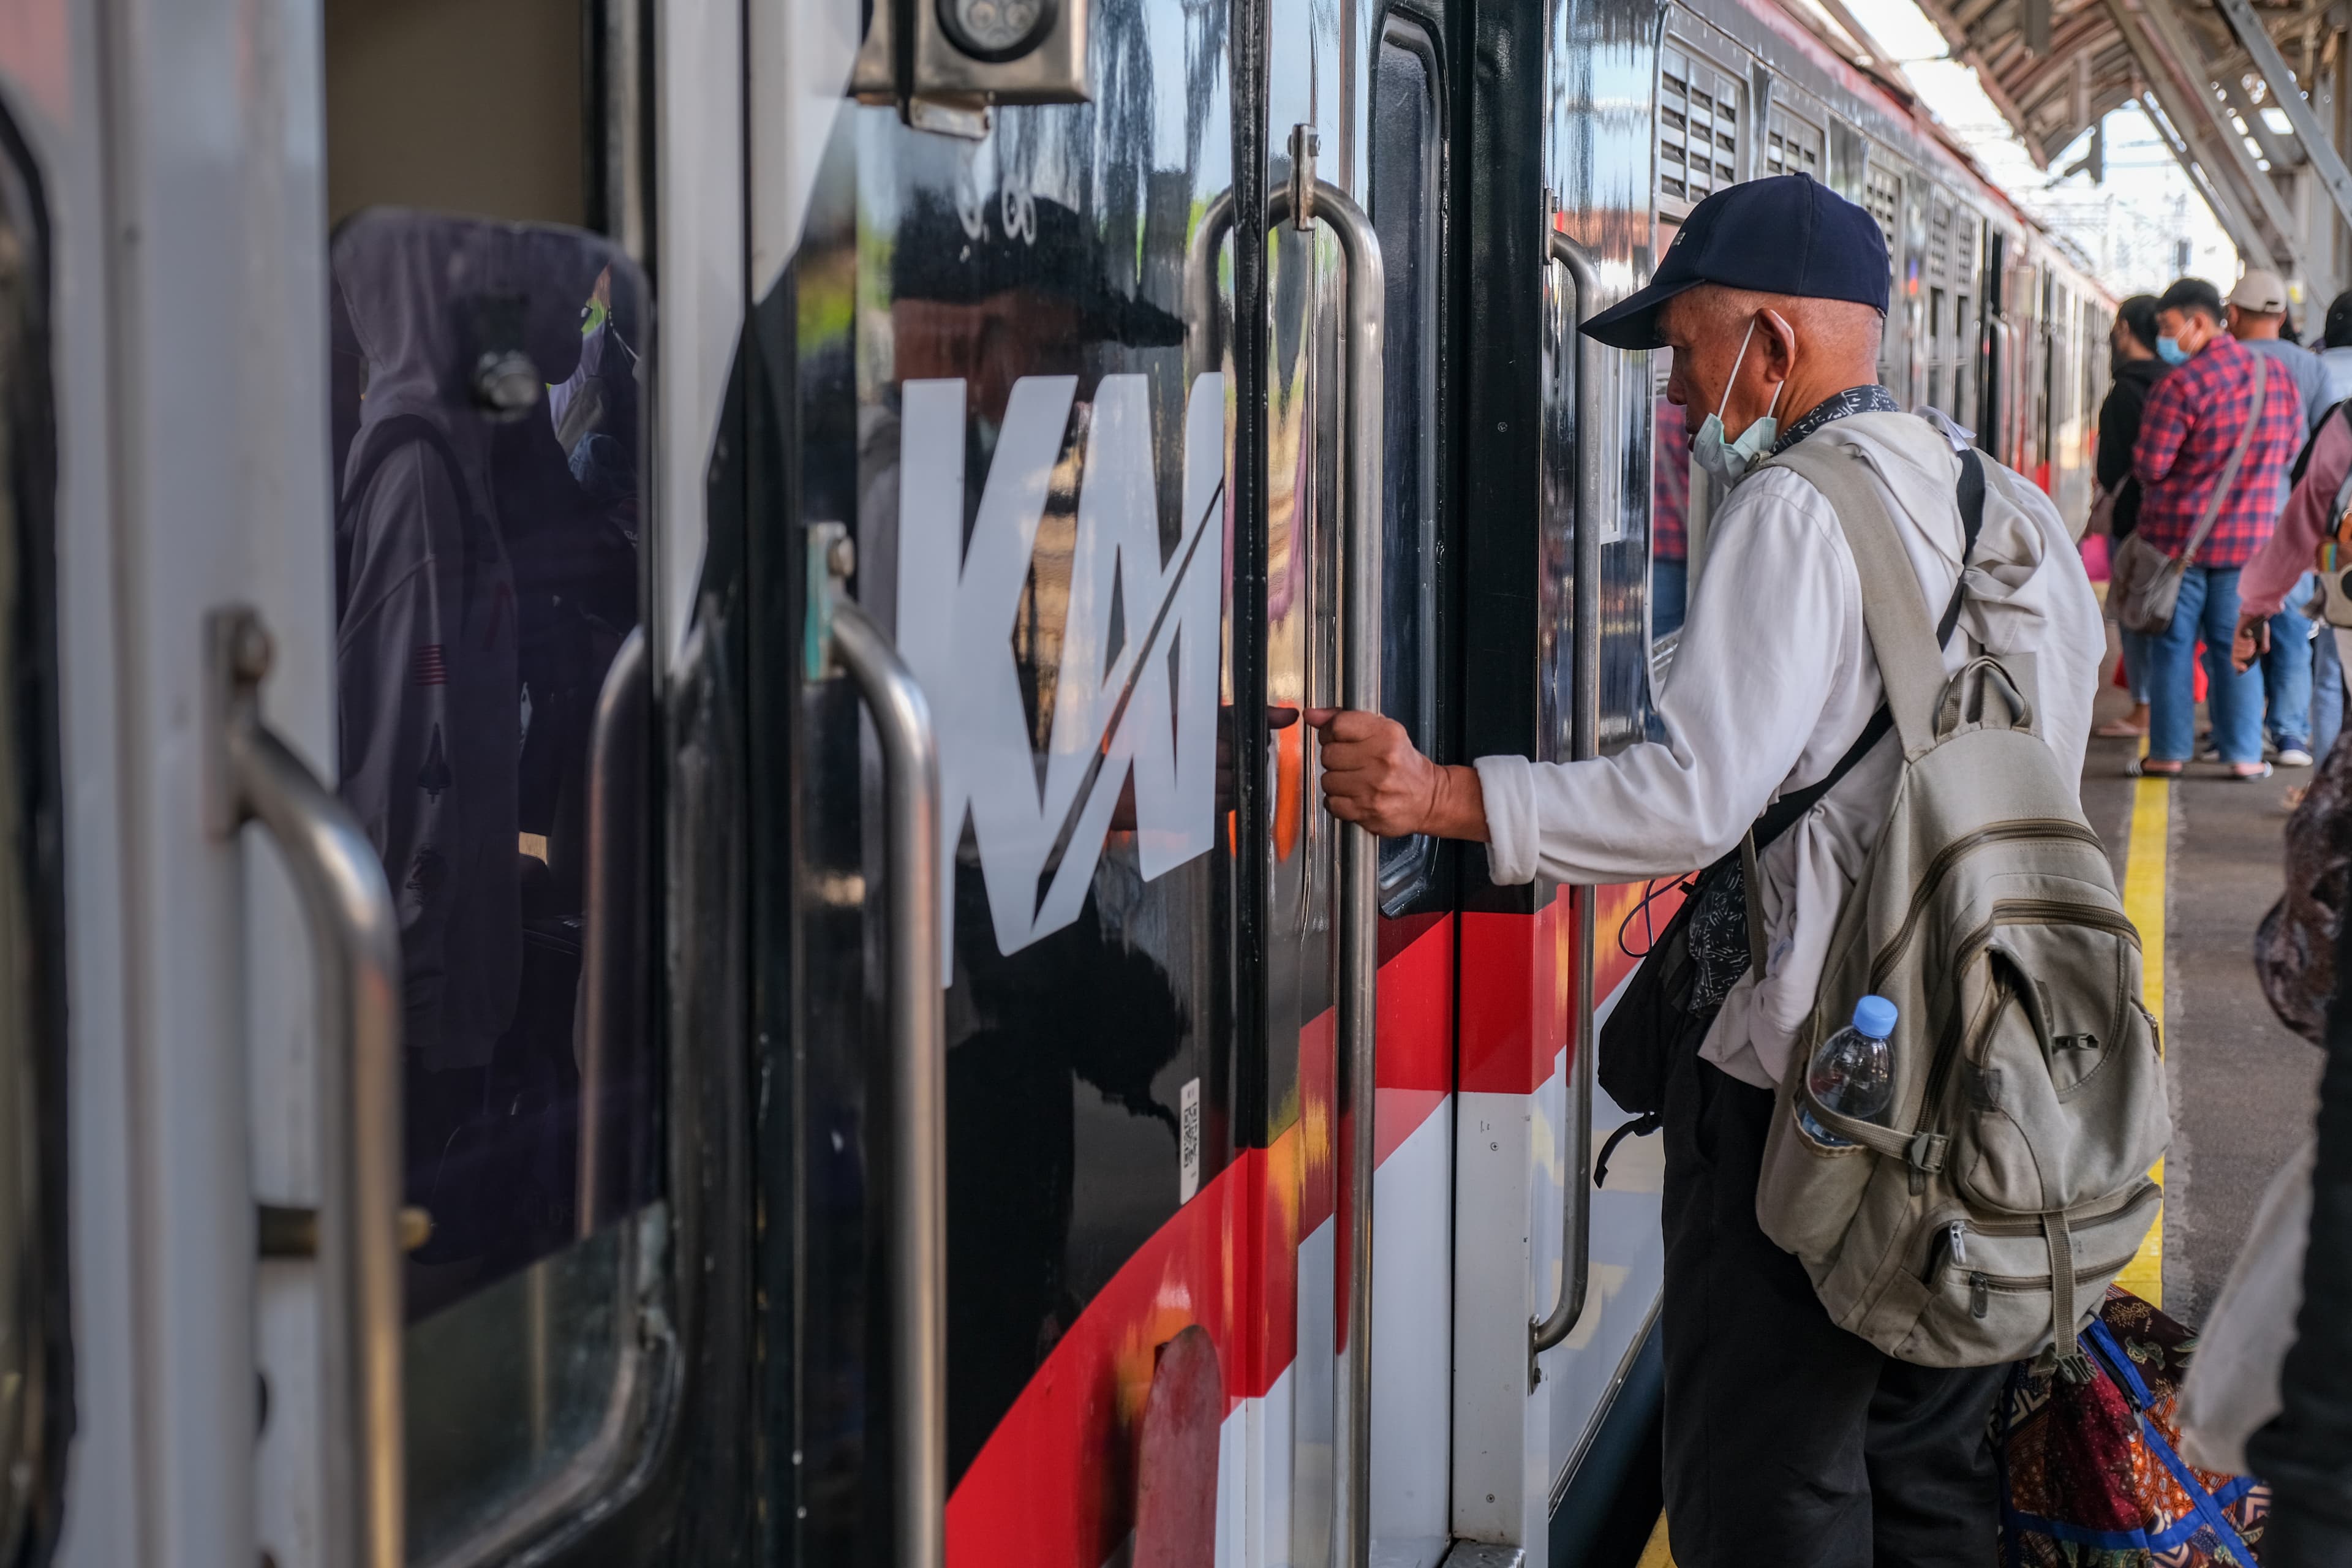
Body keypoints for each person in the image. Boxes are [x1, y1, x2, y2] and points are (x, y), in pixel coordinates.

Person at [1305, 173, 2104, 1567]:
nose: (1676, 387)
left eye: (1686, 345)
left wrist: (1441, 792)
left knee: (1761, 1469)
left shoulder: (1793, 511)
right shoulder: (2002, 505)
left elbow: (1692, 798)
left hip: (1808, 1074)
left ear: (1774, 346)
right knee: (1922, 1462)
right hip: (1989, 1056)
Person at [2130, 276, 2303, 778]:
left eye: (2168, 326)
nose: (2166, 336)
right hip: (2250, 547)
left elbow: (2150, 466)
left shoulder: (2181, 385)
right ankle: (2246, 758)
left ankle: (2167, 754)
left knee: (2172, 649)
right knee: (2240, 650)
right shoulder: (2276, 378)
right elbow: (2290, 451)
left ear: (2198, 323)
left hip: (2179, 547)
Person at [2095, 294, 2169, 739]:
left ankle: (2143, 708)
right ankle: (2158, 710)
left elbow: (2110, 468)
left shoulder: (2125, 389)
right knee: (2165, 620)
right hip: (2173, 524)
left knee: (2136, 619)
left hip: (2133, 524)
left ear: (2124, 329)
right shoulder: (2176, 380)